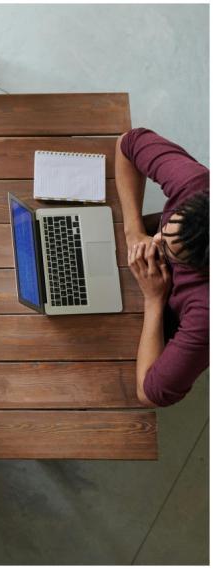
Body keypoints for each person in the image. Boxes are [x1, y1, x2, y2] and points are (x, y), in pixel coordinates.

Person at [115, 128, 209, 407]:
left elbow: (149, 393)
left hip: (159, 310)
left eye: (168, 250)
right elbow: (128, 142)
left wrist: (154, 299)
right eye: (165, 230)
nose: (156, 239)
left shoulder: (206, 312)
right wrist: (134, 233)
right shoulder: (197, 184)